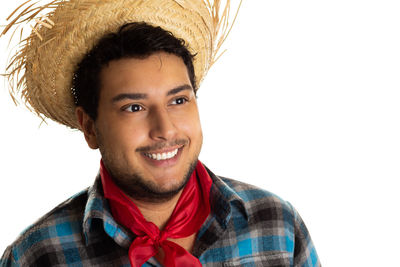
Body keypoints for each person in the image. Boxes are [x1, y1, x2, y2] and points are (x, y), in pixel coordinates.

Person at [0, 0, 320, 266]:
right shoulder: (36, 255)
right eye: (134, 108)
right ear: (89, 126)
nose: (165, 129)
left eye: (178, 100)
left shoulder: (277, 226)